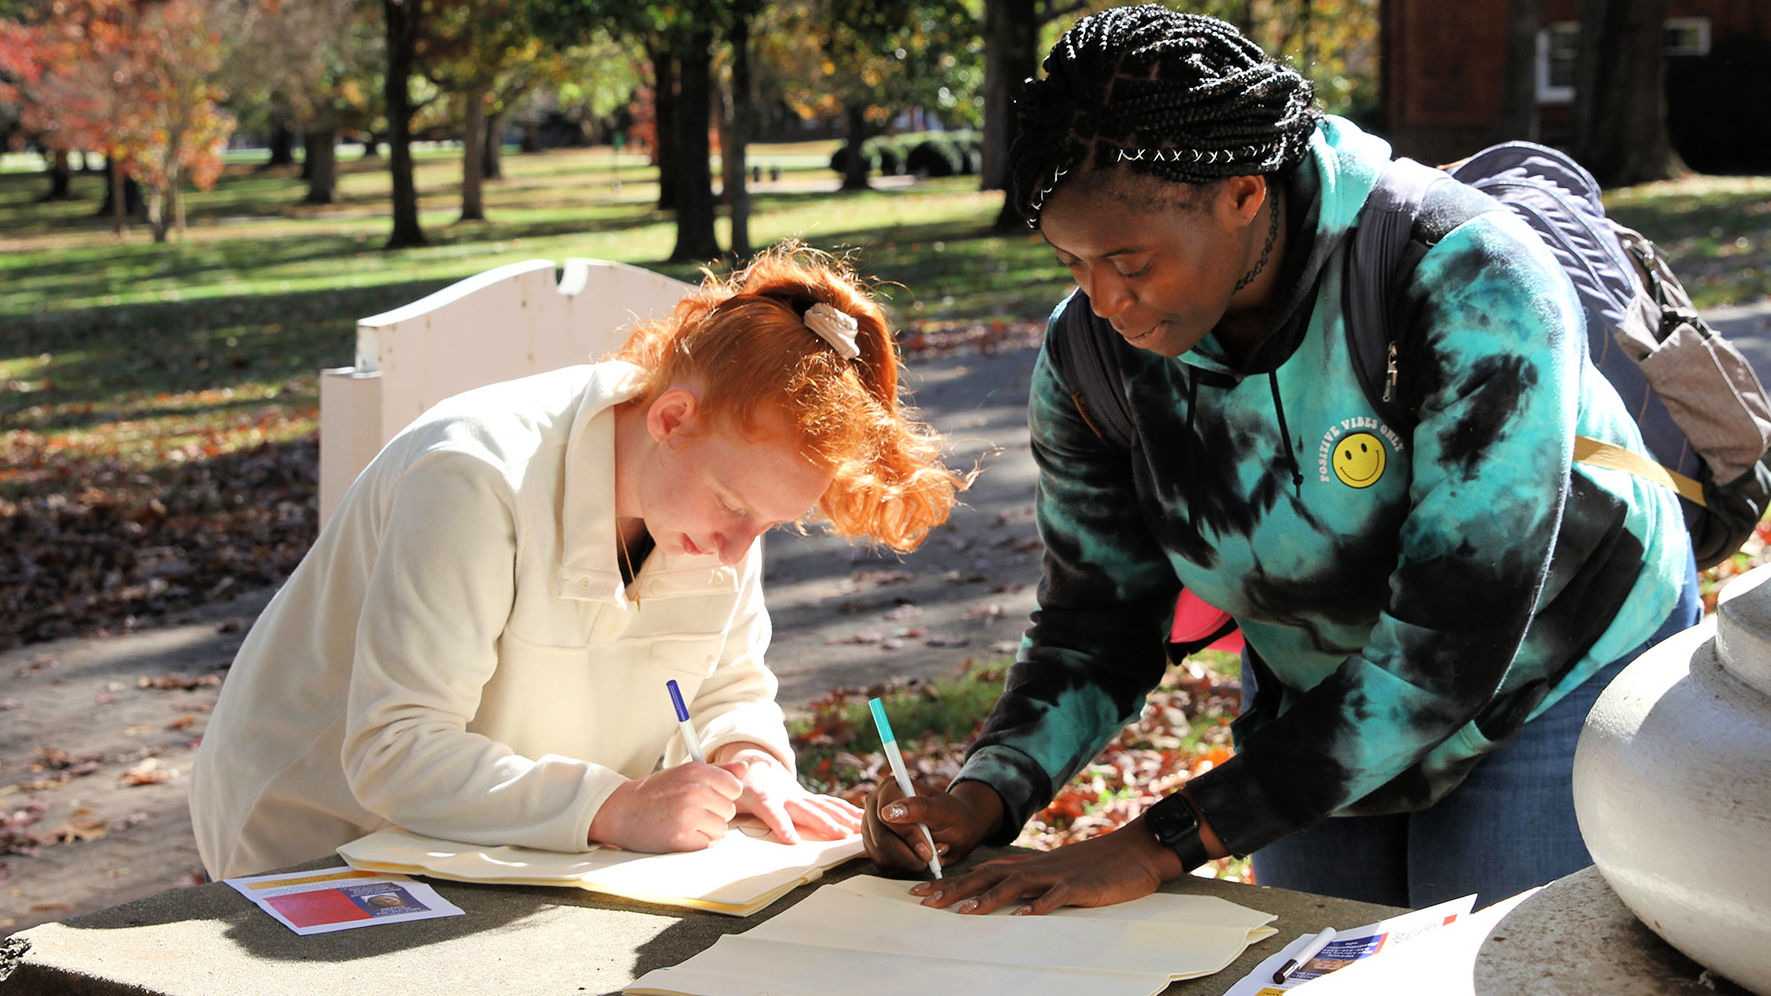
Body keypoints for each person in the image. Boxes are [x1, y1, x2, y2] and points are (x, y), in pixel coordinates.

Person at [864, 6, 1699, 914]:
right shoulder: (1092, 359)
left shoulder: (1469, 279)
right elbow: (1097, 619)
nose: (1104, 300)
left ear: (1243, 194)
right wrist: (988, 795)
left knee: (1478, 967)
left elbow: (1447, 643)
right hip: (1321, 687)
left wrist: (1159, 842)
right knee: (1310, 963)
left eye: (1128, 260)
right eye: (1071, 263)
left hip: (1549, 669)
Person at [191, 243, 966, 880]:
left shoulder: (716, 496)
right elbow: (395, 749)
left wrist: (752, 757)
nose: (739, 552)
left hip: (504, 852)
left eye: (772, 524)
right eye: (736, 509)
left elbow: (728, 685)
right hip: (320, 835)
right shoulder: (477, 474)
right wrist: (611, 808)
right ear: (671, 419)